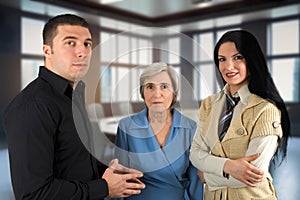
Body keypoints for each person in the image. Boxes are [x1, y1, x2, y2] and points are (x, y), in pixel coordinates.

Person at [3, 14, 145, 200]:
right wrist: (104, 188)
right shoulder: (33, 106)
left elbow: (74, 161)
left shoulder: (73, 96)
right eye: (70, 43)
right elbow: (34, 194)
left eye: (87, 44)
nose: (83, 52)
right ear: (47, 51)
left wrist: (106, 173)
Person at [190, 30, 290, 199]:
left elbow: (252, 174)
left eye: (238, 57)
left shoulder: (265, 110)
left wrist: (206, 176)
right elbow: (195, 153)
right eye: (222, 59)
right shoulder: (208, 104)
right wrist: (229, 166)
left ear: (251, 60)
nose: (228, 67)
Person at [112, 62, 203, 200]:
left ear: (174, 93)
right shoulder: (126, 127)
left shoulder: (190, 128)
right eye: (150, 87)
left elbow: (195, 183)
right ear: (142, 92)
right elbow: (119, 180)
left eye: (164, 87)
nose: (157, 94)